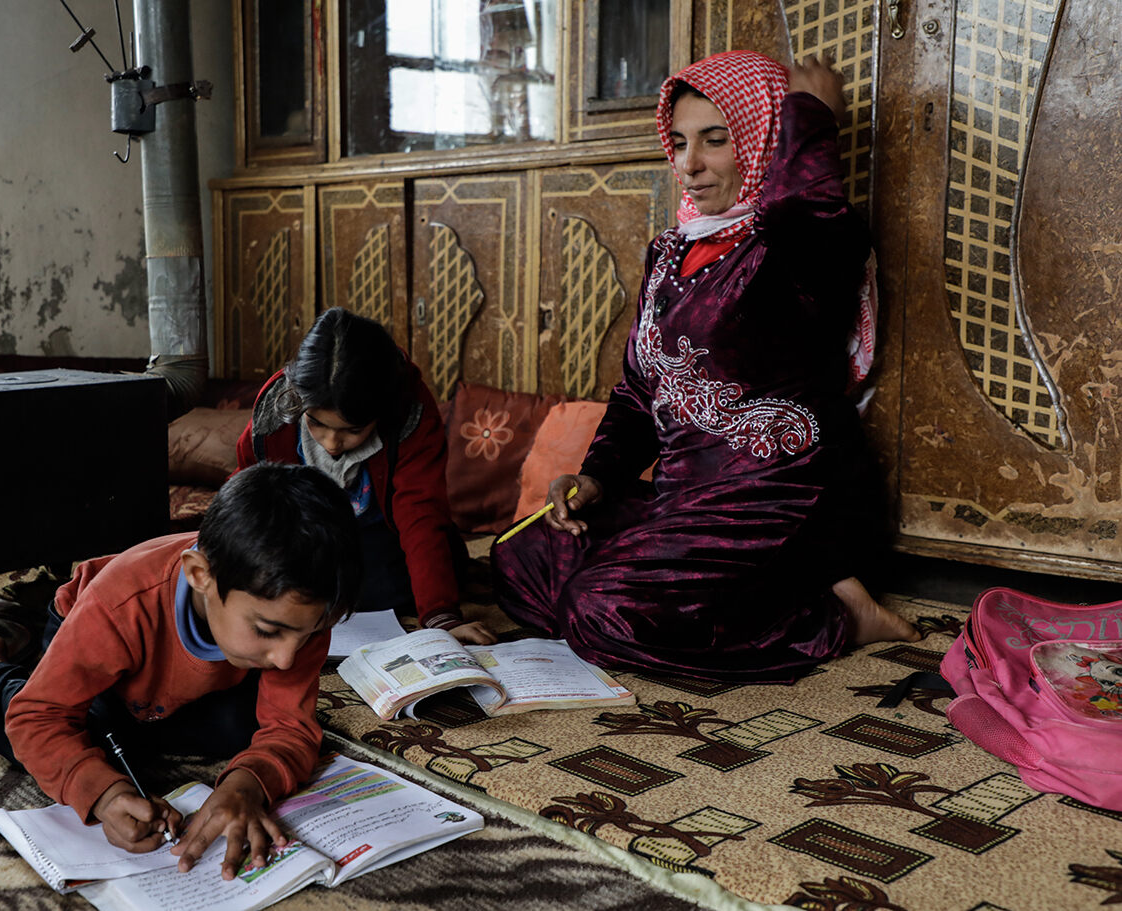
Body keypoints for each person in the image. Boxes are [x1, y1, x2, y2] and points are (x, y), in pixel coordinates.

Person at [491, 51, 918, 682]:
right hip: (684, 500)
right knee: (520, 558)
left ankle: (831, 613)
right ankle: (695, 608)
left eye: (716, 141)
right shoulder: (671, 251)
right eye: (682, 142)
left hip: (782, 499)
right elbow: (643, 387)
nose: (689, 166)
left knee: (598, 610)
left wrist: (809, 117)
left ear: (764, 139)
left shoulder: (793, 250)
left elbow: (814, 221)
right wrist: (599, 476)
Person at [0, 462, 362, 879]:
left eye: (307, 635)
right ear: (200, 575)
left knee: (240, 730)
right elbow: (37, 717)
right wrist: (104, 796)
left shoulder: (299, 611)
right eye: (268, 631)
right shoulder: (121, 604)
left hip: (173, 686)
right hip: (92, 639)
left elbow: (290, 729)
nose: (289, 658)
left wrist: (248, 785)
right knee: (78, 740)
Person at [237, 307, 496, 646]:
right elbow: (247, 497)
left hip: (382, 539)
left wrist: (440, 616)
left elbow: (420, 515)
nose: (331, 444)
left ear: (381, 412)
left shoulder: (409, 411)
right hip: (303, 534)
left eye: (352, 430)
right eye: (316, 423)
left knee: (379, 588)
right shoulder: (277, 407)